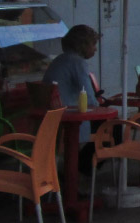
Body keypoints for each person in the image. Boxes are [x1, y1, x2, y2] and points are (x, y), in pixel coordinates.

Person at [41, 24, 101, 175]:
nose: (95, 49)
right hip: (70, 120)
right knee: (115, 129)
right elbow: (90, 99)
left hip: (50, 120)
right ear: (83, 45)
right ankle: (79, 170)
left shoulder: (59, 60)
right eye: (93, 44)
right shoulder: (77, 63)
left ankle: (74, 170)